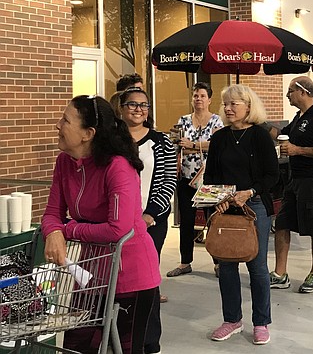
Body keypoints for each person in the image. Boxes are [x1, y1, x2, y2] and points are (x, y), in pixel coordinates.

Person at [42, 95, 161, 354]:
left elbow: (118, 229)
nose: (58, 126)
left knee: (124, 349)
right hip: (89, 277)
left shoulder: (117, 167)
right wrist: (52, 232)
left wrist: (67, 230)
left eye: (66, 120)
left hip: (131, 277)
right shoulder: (64, 162)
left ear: (88, 133)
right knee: (76, 346)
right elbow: (52, 212)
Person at [204, 85, 279, 345]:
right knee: (226, 265)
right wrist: (217, 200)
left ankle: (261, 322)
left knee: (257, 266)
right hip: (225, 208)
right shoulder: (220, 137)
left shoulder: (260, 136)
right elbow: (210, 176)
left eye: (234, 103)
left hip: (254, 205)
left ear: (249, 106)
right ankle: (232, 320)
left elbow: (273, 175)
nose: (228, 108)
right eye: (226, 103)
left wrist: (250, 191)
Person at [119, 87, 177, 354]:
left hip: (150, 223)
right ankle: (119, 337)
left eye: (144, 105)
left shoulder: (161, 141)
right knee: (119, 282)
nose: (138, 109)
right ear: (121, 107)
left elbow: (168, 182)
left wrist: (150, 215)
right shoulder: (112, 141)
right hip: (117, 224)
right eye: (132, 104)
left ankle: (148, 341)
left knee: (147, 282)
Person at [270, 76, 313, 294]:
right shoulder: (299, 117)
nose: (287, 95)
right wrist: (258, 123)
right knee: (282, 222)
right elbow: (281, 133)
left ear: (303, 92)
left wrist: (298, 150)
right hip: (294, 179)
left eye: (290, 91)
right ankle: (280, 273)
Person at [167, 82, 224, 277]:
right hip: (185, 177)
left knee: (212, 219)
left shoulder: (217, 121)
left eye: (202, 95)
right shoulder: (183, 120)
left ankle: (218, 262)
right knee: (186, 221)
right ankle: (185, 262)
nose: (198, 99)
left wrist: (192, 145)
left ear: (209, 99)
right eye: (195, 96)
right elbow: (177, 143)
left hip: (208, 178)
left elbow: (217, 145)